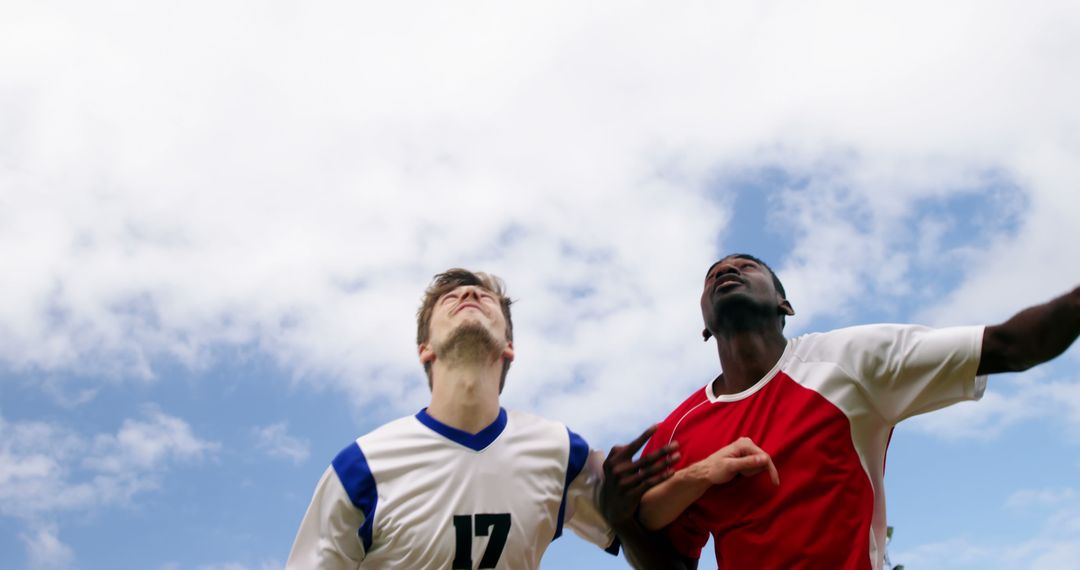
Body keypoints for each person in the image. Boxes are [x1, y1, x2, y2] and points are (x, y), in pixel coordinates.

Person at [601, 253, 1080, 570]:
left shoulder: (850, 361)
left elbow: (1012, 346)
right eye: (712, 276)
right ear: (705, 325)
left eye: (747, 265)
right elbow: (672, 563)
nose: (727, 270)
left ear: (784, 304)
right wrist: (621, 517)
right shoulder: (678, 431)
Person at [286, 268, 675, 569]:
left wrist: (630, 513)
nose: (469, 295)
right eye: (450, 298)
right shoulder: (362, 468)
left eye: (484, 296)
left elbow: (657, 555)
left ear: (509, 346)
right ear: (424, 349)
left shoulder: (562, 452)